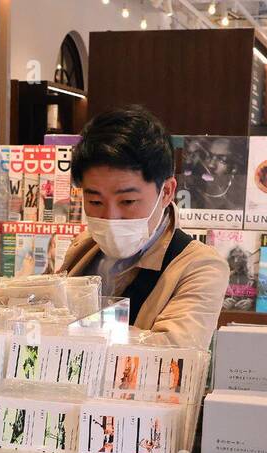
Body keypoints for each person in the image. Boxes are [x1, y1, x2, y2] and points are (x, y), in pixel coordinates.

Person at [61, 106, 228, 349]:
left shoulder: (199, 266)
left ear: (167, 192)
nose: (111, 217)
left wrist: (68, 333)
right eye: (95, 201)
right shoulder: (84, 245)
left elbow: (173, 352)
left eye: (128, 201)